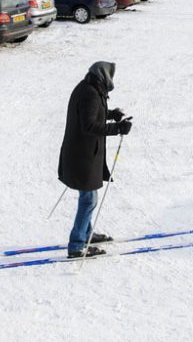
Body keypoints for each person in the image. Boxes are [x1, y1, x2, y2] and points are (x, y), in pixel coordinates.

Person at [58, 62, 132, 258]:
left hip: (82, 155)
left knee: (87, 198)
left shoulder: (88, 88)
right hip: (82, 156)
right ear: (102, 77)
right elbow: (89, 126)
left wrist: (111, 115)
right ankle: (76, 245)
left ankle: (86, 233)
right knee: (89, 200)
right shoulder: (89, 93)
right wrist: (118, 129)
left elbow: (92, 114)